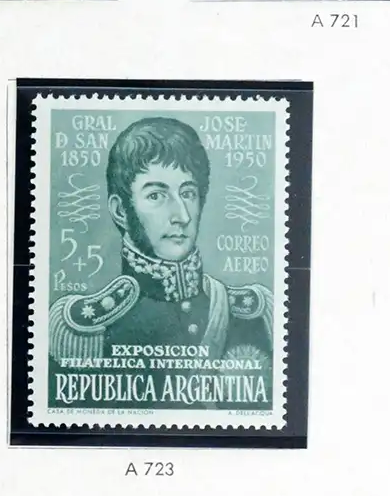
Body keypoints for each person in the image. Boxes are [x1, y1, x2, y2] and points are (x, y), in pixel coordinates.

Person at [49, 116, 272, 363]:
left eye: (188, 193)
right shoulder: (83, 330)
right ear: (120, 211)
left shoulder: (252, 316)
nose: (182, 216)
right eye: (156, 195)